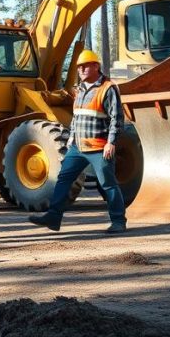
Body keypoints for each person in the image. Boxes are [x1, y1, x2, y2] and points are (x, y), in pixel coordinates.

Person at [29, 49, 127, 234]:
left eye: (84, 66)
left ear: (96, 66)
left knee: (108, 183)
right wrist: (70, 142)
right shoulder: (79, 89)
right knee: (63, 179)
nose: (81, 70)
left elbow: (117, 118)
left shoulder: (108, 88)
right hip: (77, 147)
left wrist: (111, 143)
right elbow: (76, 118)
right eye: (79, 67)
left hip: (99, 146)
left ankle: (118, 221)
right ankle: (54, 217)